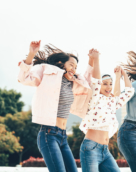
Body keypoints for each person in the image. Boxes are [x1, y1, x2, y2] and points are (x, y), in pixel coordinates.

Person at [18, 40, 95, 172]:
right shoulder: (48, 74)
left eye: (76, 67)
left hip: (63, 137)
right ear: (61, 64)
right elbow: (23, 78)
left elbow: (89, 81)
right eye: (71, 65)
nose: (74, 69)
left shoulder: (74, 82)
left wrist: (92, 59)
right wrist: (31, 54)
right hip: (49, 135)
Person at [79, 50, 135, 172]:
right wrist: (96, 59)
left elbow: (129, 92)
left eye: (110, 84)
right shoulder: (94, 98)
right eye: (105, 84)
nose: (108, 87)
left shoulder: (112, 103)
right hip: (90, 148)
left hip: (105, 150)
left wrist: (122, 75)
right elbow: (96, 81)